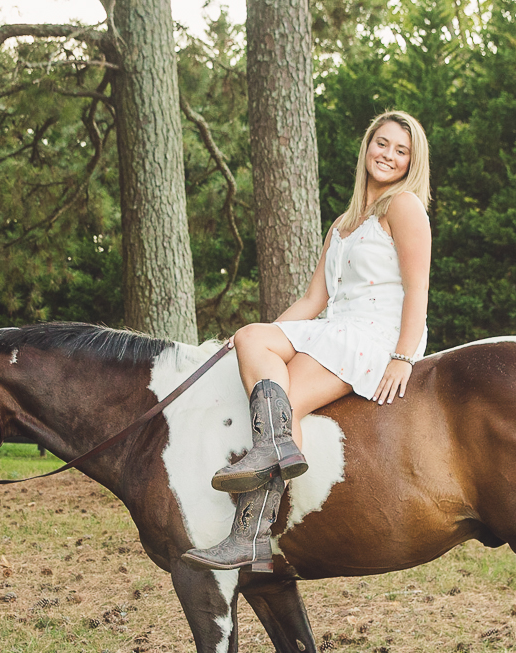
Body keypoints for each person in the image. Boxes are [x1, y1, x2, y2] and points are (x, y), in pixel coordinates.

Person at [185, 110, 432, 572]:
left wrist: (401, 356)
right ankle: (268, 484)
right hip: (337, 328)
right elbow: (313, 298)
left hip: (376, 335)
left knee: (287, 403)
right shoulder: (343, 223)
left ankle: (254, 534)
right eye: (383, 144)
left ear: (410, 163)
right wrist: (272, 338)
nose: (389, 155)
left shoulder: (404, 206)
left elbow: (418, 288)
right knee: (250, 339)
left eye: (402, 151)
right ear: (367, 146)